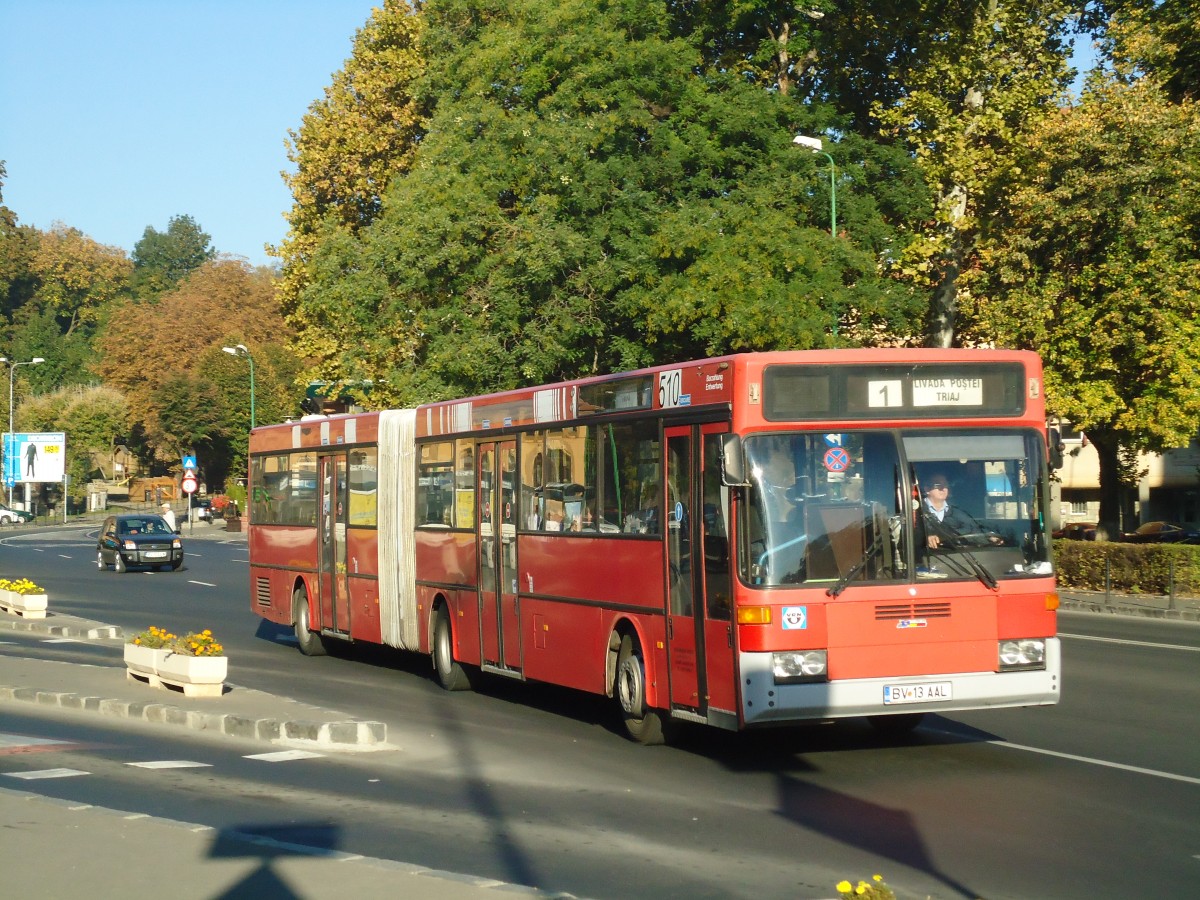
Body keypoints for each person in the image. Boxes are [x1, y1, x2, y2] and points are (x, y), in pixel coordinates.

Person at [921, 473, 1000, 549]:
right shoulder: (916, 511)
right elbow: (911, 535)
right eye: (938, 485)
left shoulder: (957, 512)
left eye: (945, 485)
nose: (943, 489)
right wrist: (926, 537)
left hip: (956, 556)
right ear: (927, 489)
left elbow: (973, 529)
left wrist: (988, 537)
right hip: (925, 557)